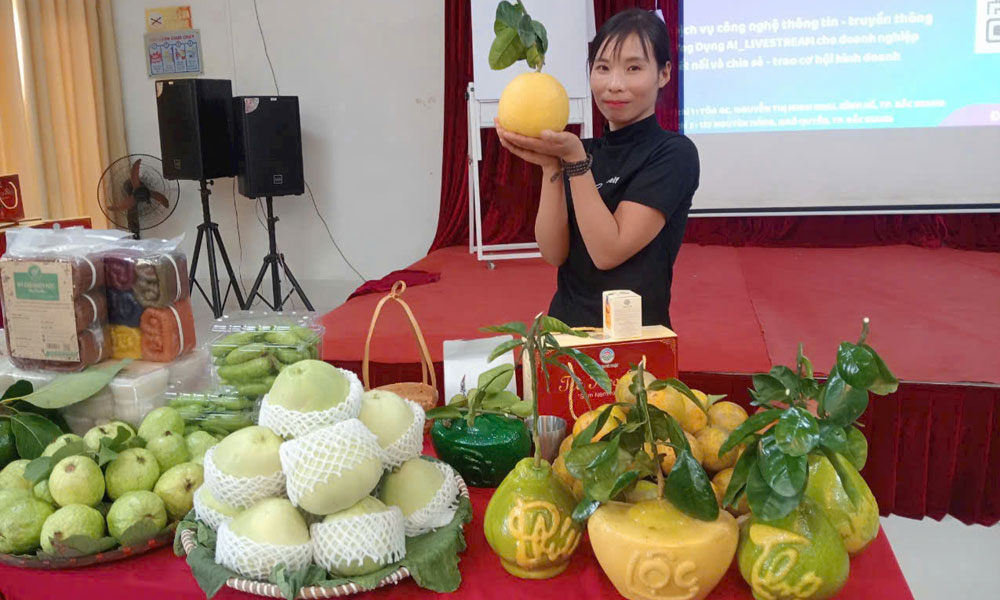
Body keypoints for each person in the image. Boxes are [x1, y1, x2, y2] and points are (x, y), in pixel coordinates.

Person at [496, 9, 699, 330]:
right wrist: (552, 164)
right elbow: (554, 252)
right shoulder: (584, 151)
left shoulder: (673, 154)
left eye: (633, 68)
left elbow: (608, 251)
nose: (614, 85)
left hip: (633, 338)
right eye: (603, 68)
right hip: (564, 331)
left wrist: (574, 161)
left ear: (664, 74)